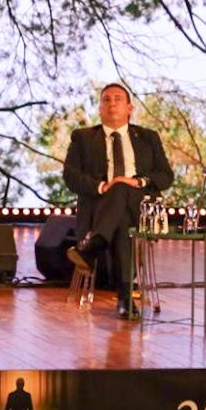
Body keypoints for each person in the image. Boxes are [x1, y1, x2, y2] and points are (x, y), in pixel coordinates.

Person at [64, 84, 175, 319]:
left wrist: (138, 181)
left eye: (117, 99)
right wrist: (103, 186)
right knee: (123, 220)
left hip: (140, 205)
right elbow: (70, 176)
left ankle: (93, 246)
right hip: (101, 206)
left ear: (129, 108)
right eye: (106, 99)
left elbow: (166, 176)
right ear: (100, 108)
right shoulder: (83, 137)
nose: (111, 103)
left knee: (123, 188)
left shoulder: (148, 137)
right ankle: (125, 298)